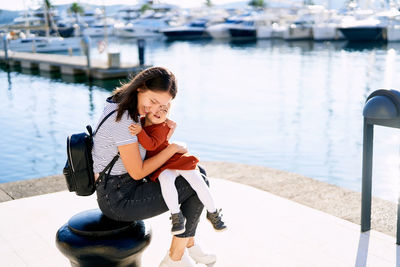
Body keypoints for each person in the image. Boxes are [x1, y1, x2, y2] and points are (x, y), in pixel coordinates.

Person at [92, 67, 217, 267]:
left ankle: (185, 247)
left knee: (196, 173)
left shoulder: (122, 103)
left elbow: (145, 151)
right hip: (118, 199)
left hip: (122, 186)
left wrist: (164, 133)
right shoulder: (124, 119)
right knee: (196, 182)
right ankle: (177, 255)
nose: (154, 110)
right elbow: (138, 171)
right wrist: (173, 148)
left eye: (163, 105)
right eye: (153, 102)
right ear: (140, 88)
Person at [128, 103, 227, 235]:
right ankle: (176, 217)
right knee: (166, 181)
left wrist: (140, 132)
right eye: (159, 107)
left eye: (165, 111)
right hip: (160, 164)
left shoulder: (162, 127)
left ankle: (213, 212)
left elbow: (151, 145)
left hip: (174, 158)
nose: (161, 112)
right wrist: (141, 127)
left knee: (197, 179)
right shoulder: (140, 122)